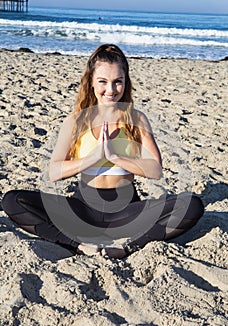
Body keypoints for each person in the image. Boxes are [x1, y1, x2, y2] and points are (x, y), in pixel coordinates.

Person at [1, 44, 204, 259]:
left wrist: (115, 157)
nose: (111, 89)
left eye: (118, 82)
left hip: (127, 214)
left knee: (192, 205)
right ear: (90, 82)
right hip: (83, 210)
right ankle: (78, 246)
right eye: (103, 82)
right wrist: (93, 158)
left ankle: (126, 248)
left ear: (126, 83)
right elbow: (54, 172)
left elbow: (155, 170)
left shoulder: (136, 119)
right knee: (12, 200)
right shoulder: (75, 122)